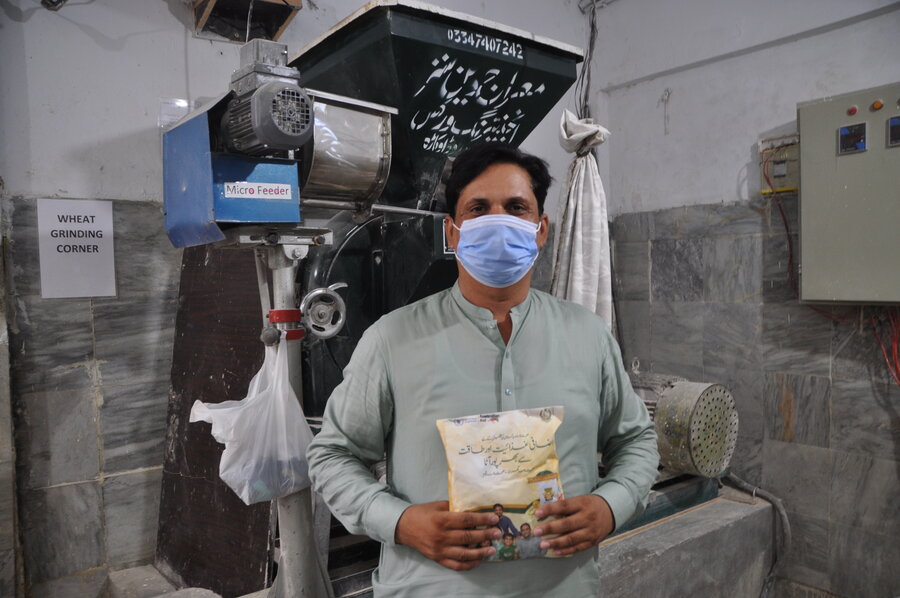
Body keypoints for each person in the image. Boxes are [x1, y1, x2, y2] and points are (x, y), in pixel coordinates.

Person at [307, 142, 659, 597]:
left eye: (516, 208)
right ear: (452, 233)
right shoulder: (392, 340)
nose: (499, 221)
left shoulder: (587, 335)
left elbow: (636, 440)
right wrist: (401, 522)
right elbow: (331, 456)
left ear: (540, 229)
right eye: (478, 208)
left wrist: (610, 506)